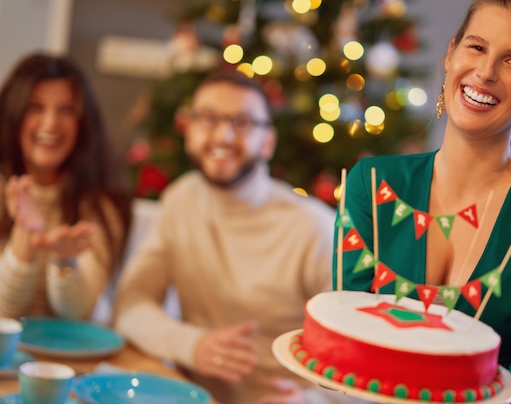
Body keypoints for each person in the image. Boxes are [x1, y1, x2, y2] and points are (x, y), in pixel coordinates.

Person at [334, 0, 511, 404]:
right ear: (450, 55)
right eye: (476, 47)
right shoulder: (370, 185)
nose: (485, 71)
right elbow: (345, 331)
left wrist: (486, 393)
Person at [113, 69, 363, 404]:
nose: (223, 135)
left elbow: (369, 363)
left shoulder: (315, 229)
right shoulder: (180, 200)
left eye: (243, 122)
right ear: (189, 130)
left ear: (268, 142)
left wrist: (309, 401)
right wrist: (192, 345)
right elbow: (130, 306)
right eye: (208, 118)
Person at [0, 52, 132, 320]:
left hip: (69, 359)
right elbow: (4, 311)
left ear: (84, 122)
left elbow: (76, 315)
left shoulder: (102, 202)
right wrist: (25, 233)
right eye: (35, 107)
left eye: (67, 110)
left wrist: (65, 262)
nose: (50, 124)